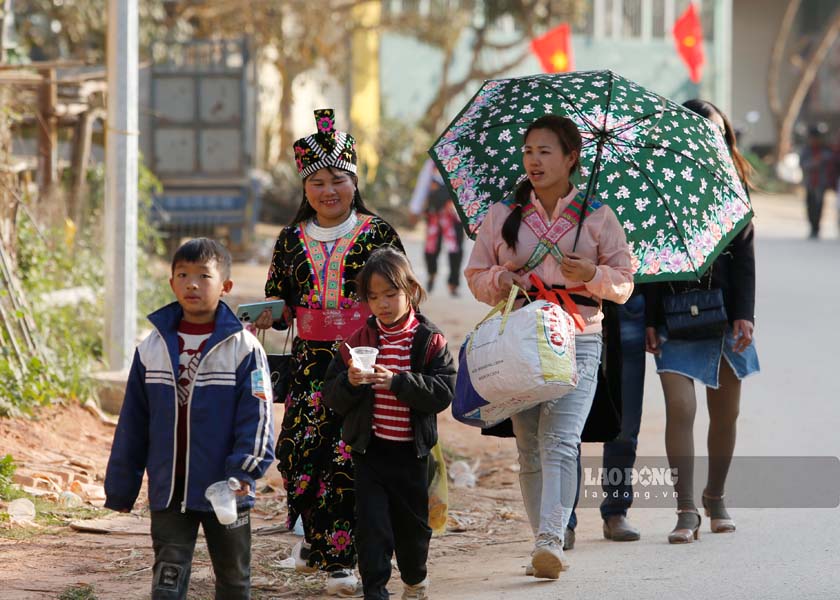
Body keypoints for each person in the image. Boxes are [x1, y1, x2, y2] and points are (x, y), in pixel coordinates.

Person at [464, 114, 634, 579]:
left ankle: (550, 539)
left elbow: (624, 284)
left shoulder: (597, 215)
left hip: (578, 338)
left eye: (545, 151)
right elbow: (476, 275)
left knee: (561, 439)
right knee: (529, 445)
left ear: (571, 158)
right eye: (528, 151)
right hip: (521, 340)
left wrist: (592, 276)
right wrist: (503, 279)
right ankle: (545, 540)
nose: (533, 161)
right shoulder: (502, 215)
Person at [255, 109, 404, 597]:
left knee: (346, 457)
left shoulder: (378, 234)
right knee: (299, 455)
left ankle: (341, 560)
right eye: (317, 181)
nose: (328, 191)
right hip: (307, 366)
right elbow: (281, 301)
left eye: (337, 179)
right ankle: (315, 543)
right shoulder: (289, 240)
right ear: (304, 188)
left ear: (354, 181)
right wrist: (268, 313)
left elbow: (401, 295)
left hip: (363, 361)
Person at [104, 237, 275, 600]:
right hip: (169, 490)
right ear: (171, 283)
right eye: (182, 274)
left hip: (228, 491)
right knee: (168, 577)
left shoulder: (244, 349)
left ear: (225, 287)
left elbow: (257, 416)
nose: (192, 284)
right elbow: (133, 421)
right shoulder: (152, 348)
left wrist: (244, 470)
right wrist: (121, 486)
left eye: (203, 276)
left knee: (233, 578)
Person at [645, 98, 760, 544]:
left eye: (713, 130)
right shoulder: (659, 187)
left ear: (723, 137)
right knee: (681, 407)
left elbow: (746, 258)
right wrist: (652, 318)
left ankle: (716, 496)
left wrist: (746, 315)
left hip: (727, 318)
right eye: (695, 128)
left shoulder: (734, 188)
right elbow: (650, 260)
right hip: (675, 318)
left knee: (726, 413)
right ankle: (685, 509)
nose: (704, 136)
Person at [324, 247, 456, 600]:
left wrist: (398, 382)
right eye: (374, 297)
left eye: (391, 294)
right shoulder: (358, 343)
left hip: (412, 456)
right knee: (372, 530)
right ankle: (375, 591)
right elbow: (332, 398)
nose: (383, 304)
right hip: (371, 453)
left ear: (410, 289)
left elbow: (443, 392)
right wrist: (350, 382)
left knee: (412, 532)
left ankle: (414, 580)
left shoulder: (430, 341)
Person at [409, 158, 465, 296]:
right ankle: (431, 273)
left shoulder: (463, 164)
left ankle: (453, 283)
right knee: (431, 249)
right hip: (434, 214)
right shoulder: (432, 163)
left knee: (455, 250)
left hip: (454, 215)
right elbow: (422, 186)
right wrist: (415, 209)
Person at [799, 125, 833, 239]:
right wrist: (814, 163)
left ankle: (816, 228)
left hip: (821, 183)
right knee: (810, 206)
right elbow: (802, 164)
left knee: (819, 206)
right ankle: (812, 226)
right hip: (809, 183)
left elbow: (831, 161)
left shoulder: (826, 150)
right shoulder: (806, 150)